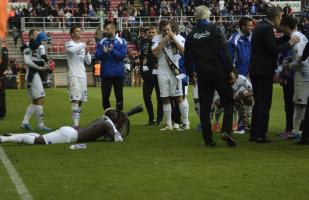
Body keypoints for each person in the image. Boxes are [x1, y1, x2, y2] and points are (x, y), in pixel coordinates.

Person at [184, 5, 236, 147]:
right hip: (219, 72)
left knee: (205, 108)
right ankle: (226, 131)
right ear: (208, 15)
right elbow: (223, 51)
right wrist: (230, 69)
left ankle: (208, 140)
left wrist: (191, 73)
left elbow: (188, 57)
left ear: (195, 17)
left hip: (203, 74)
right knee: (229, 101)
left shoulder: (192, 34)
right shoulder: (216, 29)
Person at [249, 7, 300, 143]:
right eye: (280, 18)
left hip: (255, 69)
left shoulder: (260, 26)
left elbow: (270, 44)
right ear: (277, 18)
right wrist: (290, 42)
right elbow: (273, 49)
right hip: (263, 71)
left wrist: (284, 38)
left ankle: (254, 133)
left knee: (258, 103)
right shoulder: (267, 28)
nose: (280, 22)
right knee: (265, 103)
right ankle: (261, 135)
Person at [0, 105, 143, 145]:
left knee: (40, 137)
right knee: (39, 141)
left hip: (69, 132)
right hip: (71, 136)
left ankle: (13, 136)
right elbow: (117, 139)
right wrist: (124, 122)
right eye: (116, 115)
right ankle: (5, 139)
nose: (118, 116)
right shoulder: (106, 123)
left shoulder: (101, 121)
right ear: (112, 116)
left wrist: (122, 121)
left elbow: (107, 137)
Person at [151, 20, 189, 131]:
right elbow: (155, 53)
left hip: (174, 72)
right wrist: (164, 40)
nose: (167, 32)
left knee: (179, 97)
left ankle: (186, 123)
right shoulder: (156, 39)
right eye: (164, 30)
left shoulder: (180, 37)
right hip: (162, 72)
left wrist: (173, 38)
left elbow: (184, 52)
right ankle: (168, 124)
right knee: (165, 98)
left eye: (168, 29)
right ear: (160, 30)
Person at [280, 15, 309, 138]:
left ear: (286, 26)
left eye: (282, 26)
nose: (281, 29)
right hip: (305, 74)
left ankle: (297, 132)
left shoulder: (294, 38)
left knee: (299, 104)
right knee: (301, 104)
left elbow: (301, 60)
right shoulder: (302, 35)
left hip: (303, 76)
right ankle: (298, 131)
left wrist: (287, 66)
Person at [20, 29, 52, 131]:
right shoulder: (28, 46)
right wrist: (39, 68)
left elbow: (39, 59)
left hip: (36, 75)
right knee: (40, 98)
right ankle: (41, 125)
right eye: (37, 34)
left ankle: (25, 122)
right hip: (32, 75)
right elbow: (27, 61)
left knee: (36, 100)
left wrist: (45, 64)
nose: (39, 36)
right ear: (32, 36)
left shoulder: (38, 46)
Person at [65, 25, 94, 130]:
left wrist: (86, 52)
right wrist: (84, 45)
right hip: (73, 76)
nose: (80, 32)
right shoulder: (69, 44)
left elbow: (88, 61)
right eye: (77, 31)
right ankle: (75, 125)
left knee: (80, 100)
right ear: (72, 34)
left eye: (80, 31)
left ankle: (77, 123)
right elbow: (72, 51)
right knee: (75, 100)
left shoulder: (82, 46)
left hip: (83, 76)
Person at [95, 22, 127, 112]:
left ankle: (119, 116)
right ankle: (109, 115)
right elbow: (97, 55)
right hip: (106, 73)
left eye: (107, 29)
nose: (105, 31)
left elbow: (122, 55)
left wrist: (112, 51)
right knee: (105, 96)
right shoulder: (102, 41)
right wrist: (104, 52)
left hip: (118, 74)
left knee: (119, 96)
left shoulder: (122, 41)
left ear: (113, 30)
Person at [140, 26, 163, 126]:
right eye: (149, 32)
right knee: (146, 97)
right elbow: (142, 58)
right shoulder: (144, 43)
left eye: (153, 32)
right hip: (147, 75)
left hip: (158, 75)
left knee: (160, 98)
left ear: (157, 34)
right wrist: (142, 71)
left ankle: (159, 119)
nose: (150, 34)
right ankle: (151, 119)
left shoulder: (161, 42)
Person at [0, 42, 8, 120]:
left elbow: (5, 62)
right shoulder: (4, 48)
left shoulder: (3, 49)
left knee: (1, 96)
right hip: (2, 76)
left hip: (1, 76)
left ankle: (2, 114)